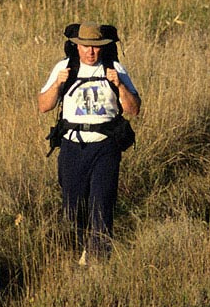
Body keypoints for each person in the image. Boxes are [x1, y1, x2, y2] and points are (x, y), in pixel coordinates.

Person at [38, 22, 140, 264]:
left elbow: (133, 109)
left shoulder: (115, 68)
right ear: (77, 46)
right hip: (73, 147)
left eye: (95, 47)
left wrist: (120, 85)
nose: (90, 52)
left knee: (101, 204)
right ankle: (83, 249)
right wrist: (57, 84)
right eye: (85, 46)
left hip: (105, 147)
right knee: (73, 209)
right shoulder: (65, 67)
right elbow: (44, 105)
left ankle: (98, 263)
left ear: (103, 48)